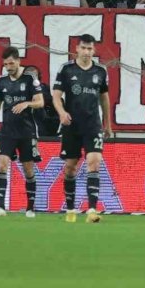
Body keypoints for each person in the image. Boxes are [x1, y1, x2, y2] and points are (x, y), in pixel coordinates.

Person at [52, 34, 113, 223]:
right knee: (70, 167)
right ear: (77, 49)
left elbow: (104, 98)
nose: (87, 52)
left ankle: (92, 210)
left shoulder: (101, 71)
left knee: (94, 161)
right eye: (83, 48)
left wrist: (108, 124)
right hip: (71, 125)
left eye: (90, 49)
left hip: (92, 124)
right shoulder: (66, 69)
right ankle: (70, 209)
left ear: (94, 51)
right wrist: (61, 112)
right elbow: (56, 96)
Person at [0, 46, 45, 217]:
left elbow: (40, 102)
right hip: (7, 132)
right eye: (6, 64)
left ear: (18, 61)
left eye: (11, 63)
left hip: (27, 132)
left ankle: (30, 208)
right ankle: (1, 208)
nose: (9, 67)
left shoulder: (30, 78)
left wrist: (27, 104)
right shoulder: (1, 81)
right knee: (2, 165)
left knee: (28, 170)